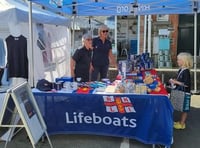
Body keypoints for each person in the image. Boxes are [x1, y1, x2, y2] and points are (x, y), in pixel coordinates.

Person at [169, 52, 193, 130]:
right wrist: (175, 80)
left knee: (184, 109)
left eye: (179, 60)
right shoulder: (181, 70)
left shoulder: (186, 71)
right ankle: (180, 122)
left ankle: (182, 123)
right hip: (182, 92)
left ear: (184, 61)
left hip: (185, 93)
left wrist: (175, 82)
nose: (177, 61)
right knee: (182, 107)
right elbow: (180, 80)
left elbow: (186, 84)